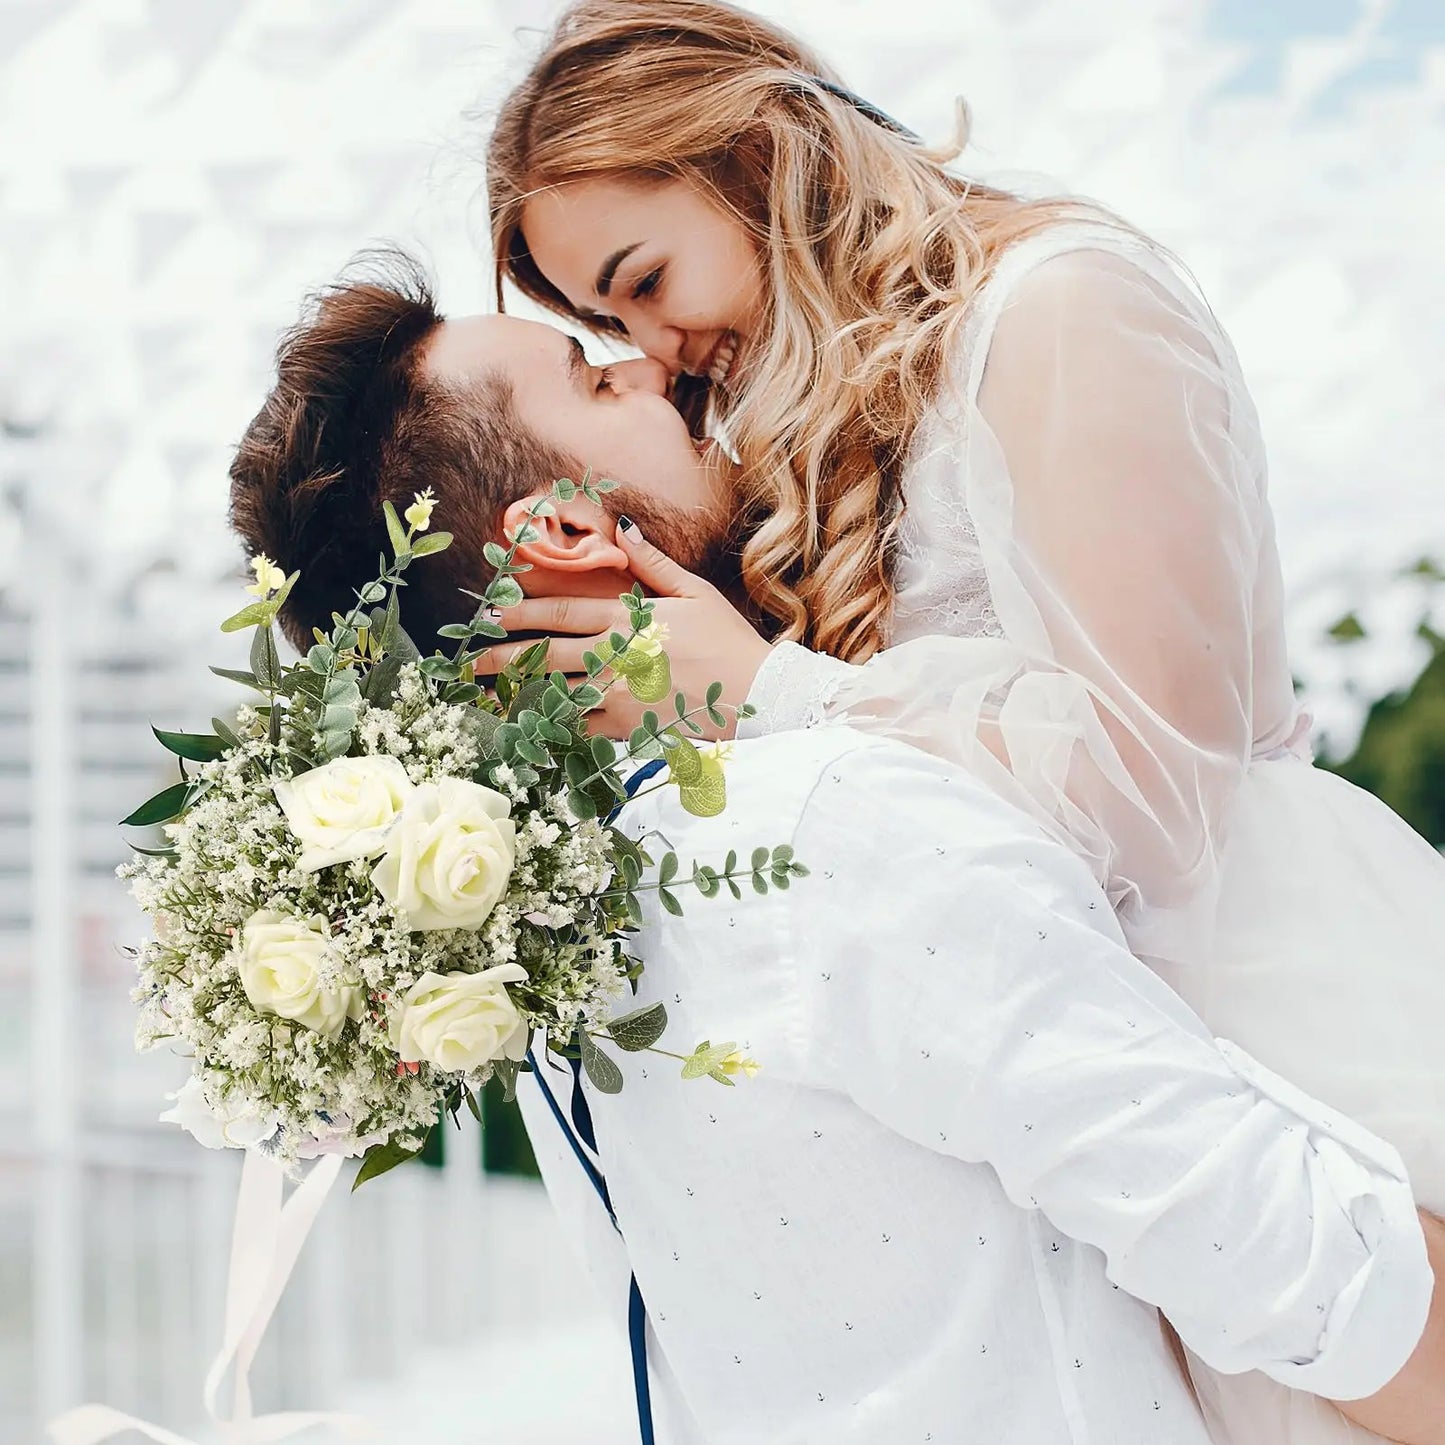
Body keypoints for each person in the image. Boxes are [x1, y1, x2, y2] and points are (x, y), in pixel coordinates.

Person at [228, 258, 1445, 1444]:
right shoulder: (826, 823)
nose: (655, 371)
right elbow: (1312, 1273)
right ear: (557, 531)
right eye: (595, 381)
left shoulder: (544, 944)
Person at [484, 7, 1445, 1437]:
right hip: (1093, 1076)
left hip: (1272, 1003)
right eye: (605, 329)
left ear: (751, 152)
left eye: (643, 283)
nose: (654, 347)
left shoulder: (1064, 305)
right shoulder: (815, 409)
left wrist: (772, 696)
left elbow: (1152, 785)